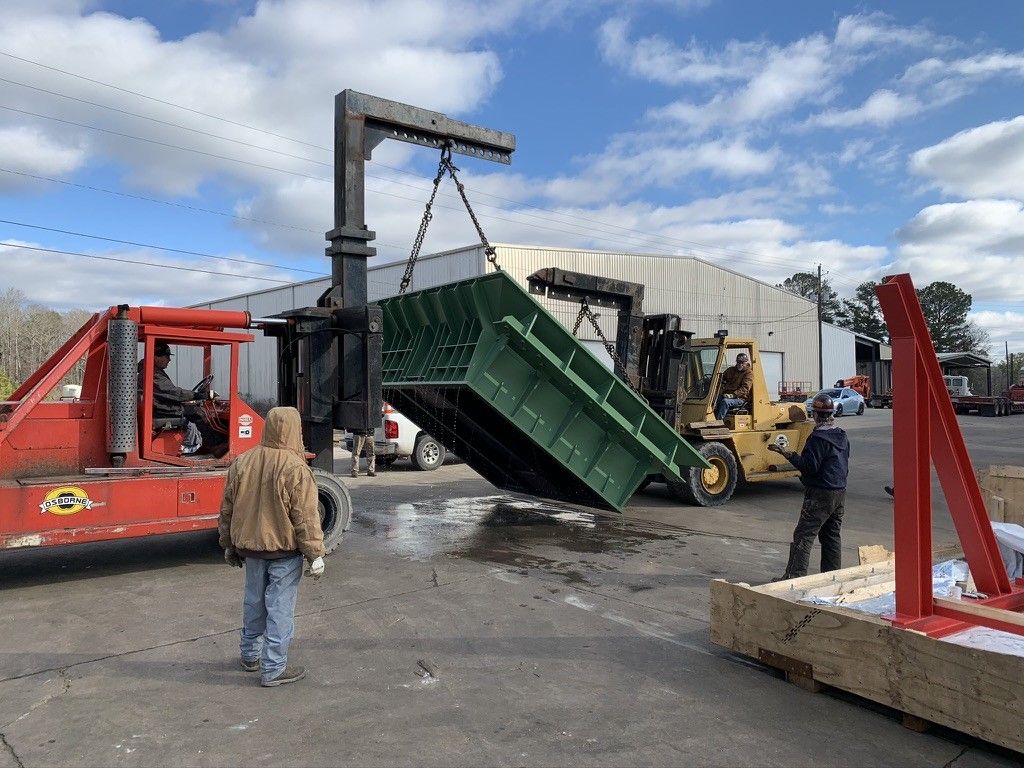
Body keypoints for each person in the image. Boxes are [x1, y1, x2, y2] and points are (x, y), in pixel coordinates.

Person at [218, 406, 326, 687]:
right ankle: (274, 668)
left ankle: (249, 656)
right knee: (279, 608)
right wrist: (315, 553)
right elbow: (305, 516)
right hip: (284, 553)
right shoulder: (295, 468)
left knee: (253, 602)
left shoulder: (243, 462)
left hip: (251, 550)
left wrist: (228, 544)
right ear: (294, 430)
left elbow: (227, 510)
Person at [768, 392, 850, 579]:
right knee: (831, 536)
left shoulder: (817, 440)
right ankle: (832, 578)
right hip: (839, 491)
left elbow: (809, 467)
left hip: (820, 492)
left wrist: (788, 455)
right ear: (831, 414)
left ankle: (794, 578)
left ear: (814, 415)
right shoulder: (841, 436)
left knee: (804, 536)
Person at [714, 352, 753, 420]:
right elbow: (720, 379)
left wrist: (733, 395)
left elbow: (745, 388)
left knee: (725, 402)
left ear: (746, 363)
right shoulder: (730, 370)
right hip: (726, 395)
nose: (740, 364)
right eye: (738, 362)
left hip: (740, 398)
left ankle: (718, 422)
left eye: (742, 363)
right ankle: (711, 419)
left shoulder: (749, 373)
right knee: (714, 400)